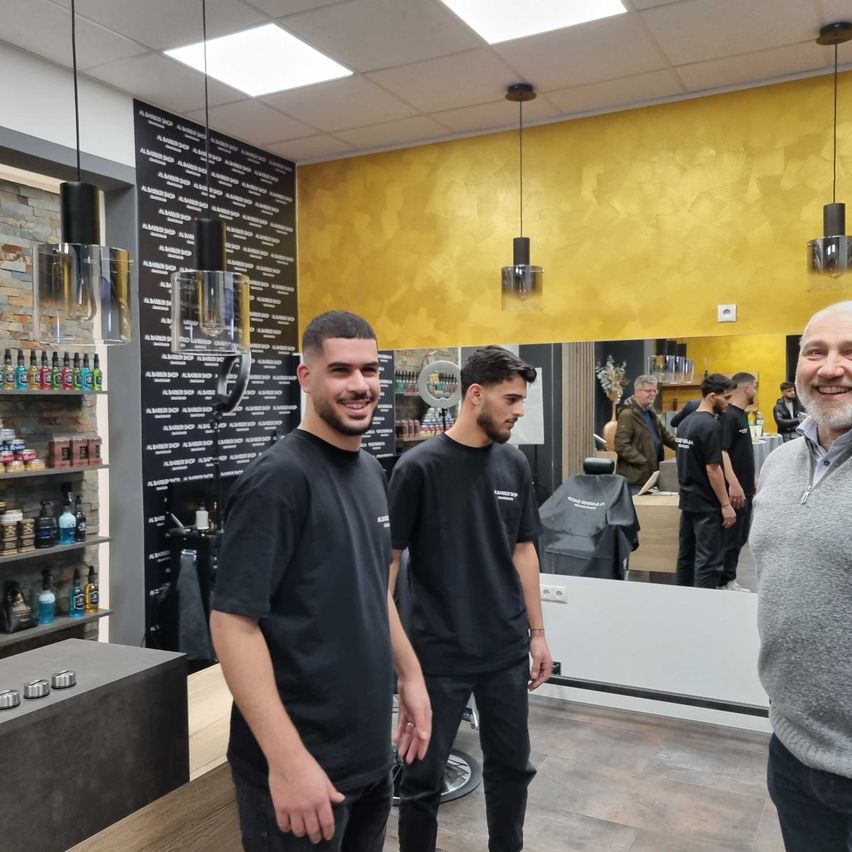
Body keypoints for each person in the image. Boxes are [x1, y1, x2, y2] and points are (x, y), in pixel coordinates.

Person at [210, 311, 431, 851]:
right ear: (306, 378)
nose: (360, 385)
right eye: (341, 370)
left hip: (367, 757)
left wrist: (411, 676)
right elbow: (233, 624)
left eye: (369, 370)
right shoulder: (278, 480)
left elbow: (373, 592)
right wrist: (287, 761)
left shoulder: (370, 471)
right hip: (301, 766)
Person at [388, 346, 552, 852]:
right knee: (420, 781)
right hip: (436, 655)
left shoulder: (513, 464)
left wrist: (538, 634)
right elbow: (389, 563)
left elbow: (524, 550)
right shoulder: (417, 467)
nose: (519, 411)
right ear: (475, 394)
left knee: (512, 770)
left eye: (522, 400)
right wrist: (392, 653)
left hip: (504, 650)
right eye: (511, 399)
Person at [751, 301, 852, 851]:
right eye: (816, 351)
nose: (830, 368)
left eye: (850, 352)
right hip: (792, 749)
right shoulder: (780, 464)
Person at [674, 373, 737, 588]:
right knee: (708, 562)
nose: (729, 403)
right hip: (706, 505)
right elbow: (713, 469)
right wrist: (726, 504)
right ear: (712, 397)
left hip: (688, 501)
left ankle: (683, 600)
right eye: (726, 398)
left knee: (686, 558)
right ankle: (704, 604)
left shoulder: (685, 423)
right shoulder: (711, 426)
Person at [718, 371, 757, 593]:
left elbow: (741, 452)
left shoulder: (741, 415)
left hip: (746, 487)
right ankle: (724, 581)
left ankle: (728, 578)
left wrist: (752, 478)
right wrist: (733, 484)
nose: (755, 391)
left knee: (741, 537)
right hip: (736, 490)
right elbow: (722, 452)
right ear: (746, 388)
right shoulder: (729, 416)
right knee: (731, 538)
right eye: (755, 387)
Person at [614, 374, 677, 493]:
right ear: (637, 392)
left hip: (651, 476)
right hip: (635, 479)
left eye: (654, 391)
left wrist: (683, 446)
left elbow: (666, 435)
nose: (652, 394)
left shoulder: (650, 411)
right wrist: (643, 460)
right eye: (648, 391)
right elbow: (621, 445)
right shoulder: (627, 414)